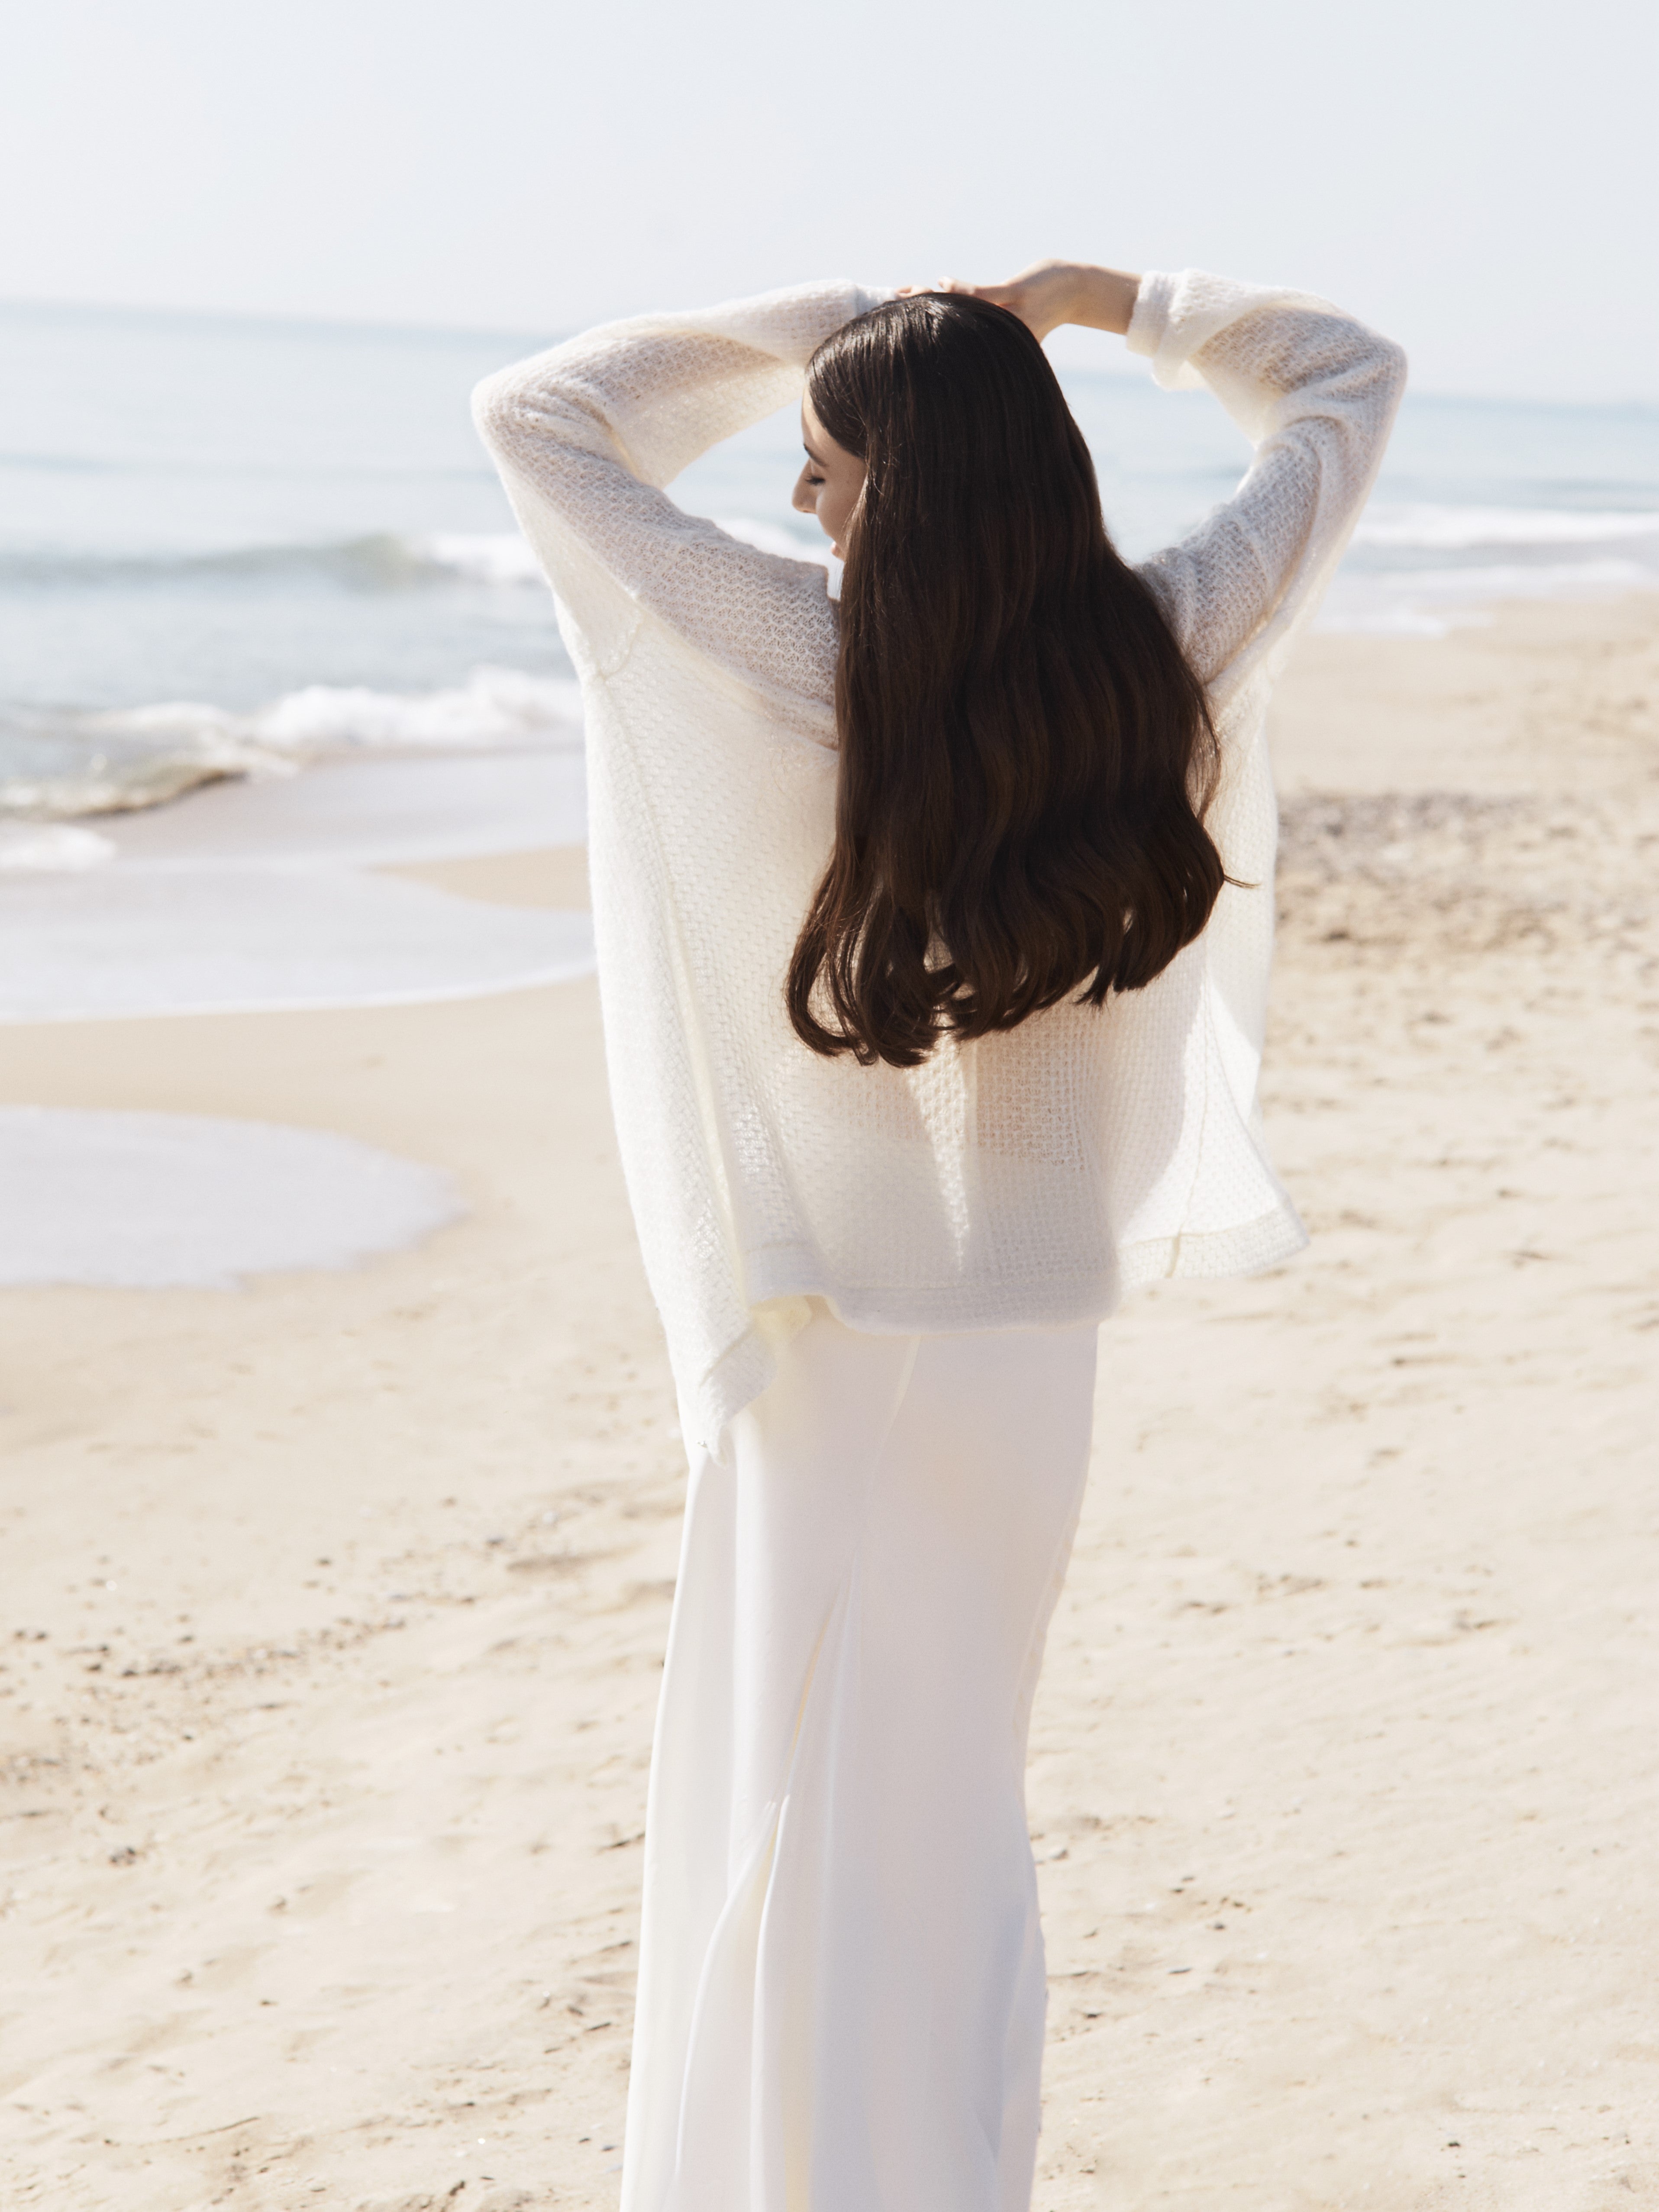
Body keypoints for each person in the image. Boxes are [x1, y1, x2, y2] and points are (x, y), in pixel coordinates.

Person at [474, 256, 1406, 2212]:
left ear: (906, 489)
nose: (800, 504)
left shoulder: (788, 654)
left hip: (835, 1340)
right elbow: (1343, 379)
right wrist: (1098, 307)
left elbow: (537, 415)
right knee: (930, 1805)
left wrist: (826, 321)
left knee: (797, 1802)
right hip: (1021, 1354)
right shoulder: (1158, 648)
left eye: (827, 469)